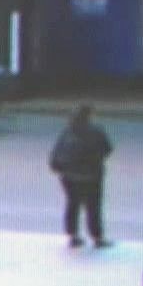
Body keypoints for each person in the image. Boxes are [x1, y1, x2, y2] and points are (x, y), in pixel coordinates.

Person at [48, 103, 113, 248]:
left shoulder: (67, 132)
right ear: (89, 116)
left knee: (73, 205)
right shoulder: (96, 131)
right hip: (92, 176)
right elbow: (108, 149)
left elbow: (56, 154)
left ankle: (73, 236)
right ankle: (97, 237)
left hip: (69, 177)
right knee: (93, 207)